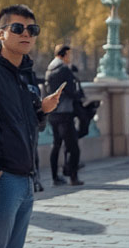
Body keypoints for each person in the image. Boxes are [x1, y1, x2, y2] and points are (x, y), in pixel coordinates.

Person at [0, 4, 64, 248]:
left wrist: (42, 111)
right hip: (0, 179)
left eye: (32, 29)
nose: (26, 34)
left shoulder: (26, 74)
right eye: (17, 28)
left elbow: (32, 126)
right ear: (1, 33)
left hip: (26, 179)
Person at [45, 44, 83, 186]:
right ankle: (73, 176)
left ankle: (55, 177)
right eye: (69, 55)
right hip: (65, 112)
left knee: (56, 145)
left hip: (53, 113)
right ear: (63, 55)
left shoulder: (49, 69)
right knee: (73, 147)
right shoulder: (64, 70)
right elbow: (72, 92)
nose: (70, 58)